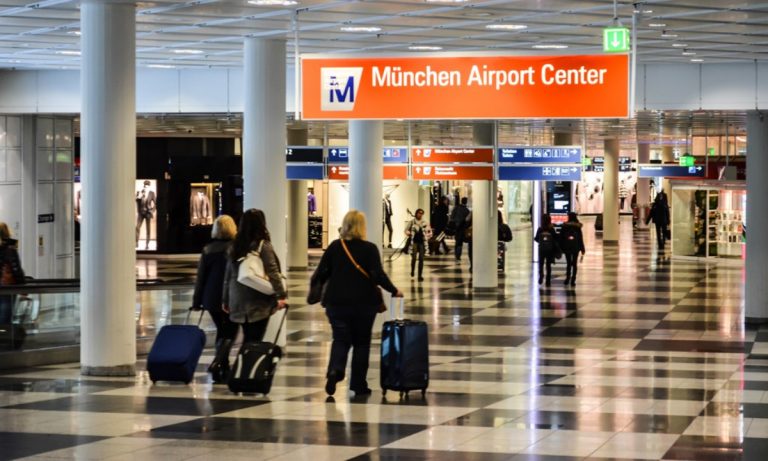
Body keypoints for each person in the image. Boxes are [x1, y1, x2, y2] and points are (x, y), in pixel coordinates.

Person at [310, 210, 402, 396]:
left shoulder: (335, 246)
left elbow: (322, 272)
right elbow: (377, 275)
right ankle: (358, 384)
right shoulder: (370, 248)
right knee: (361, 343)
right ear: (362, 227)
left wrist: (316, 293)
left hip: (336, 303)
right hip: (364, 303)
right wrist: (394, 290)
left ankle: (335, 370)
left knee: (340, 339)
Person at [222, 209, 287, 345]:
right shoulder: (263, 245)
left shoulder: (234, 246)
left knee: (248, 337)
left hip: (237, 299)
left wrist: (226, 299)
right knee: (254, 340)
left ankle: (243, 357)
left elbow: (228, 276)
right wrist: (281, 295)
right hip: (257, 302)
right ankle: (248, 358)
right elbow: (273, 272)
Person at [192, 215, 238, 383]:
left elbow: (201, 278)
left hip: (211, 297)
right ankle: (219, 362)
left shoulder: (208, 249)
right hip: (231, 296)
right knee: (231, 331)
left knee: (222, 329)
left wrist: (196, 302)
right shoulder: (236, 248)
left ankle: (222, 364)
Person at [0, 222, 25, 324]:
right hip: (7, 287)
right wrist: (23, 286)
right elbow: (16, 268)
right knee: (5, 316)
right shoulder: (10, 249)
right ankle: (4, 333)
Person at [559, 212, 585, 286]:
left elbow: (561, 237)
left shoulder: (565, 226)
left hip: (567, 246)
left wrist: (561, 247)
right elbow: (580, 238)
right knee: (574, 263)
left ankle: (567, 278)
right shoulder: (577, 227)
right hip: (576, 247)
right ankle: (573, 279)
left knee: (568, 263)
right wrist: (582, 248)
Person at [406, 208, 430, 282]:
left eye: (422, 213)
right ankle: (412, 270)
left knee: (421, 259)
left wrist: (427, 233)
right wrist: (408, 233)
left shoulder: (424, 222)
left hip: (422, 242)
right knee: (414, 258)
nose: (420, 214)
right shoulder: (412, 222)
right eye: (419, 213)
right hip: (414, 242)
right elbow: (406, 230)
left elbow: (428, 231)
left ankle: (420, 275)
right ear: (416, 213)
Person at [534, 214, 558, 287]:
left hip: (541, 249)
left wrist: (541, 242)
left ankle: (541, 276)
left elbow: (536, 238)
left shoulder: (540, 229)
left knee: (541, 264)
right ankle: (548, 280)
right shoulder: (551, 229)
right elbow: (555, 238)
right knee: (548, 265)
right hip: (549, 249)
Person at [135, 180, 156, 249]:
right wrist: (140, 196)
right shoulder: (139, 192)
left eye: (147, 185)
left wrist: (152, 211)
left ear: (149, 186)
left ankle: (147, 244)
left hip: (148, 213)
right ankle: (136, 242)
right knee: (137, 227)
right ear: (143, 185)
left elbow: (156, 203)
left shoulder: (152, 193)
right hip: (141, 213)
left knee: (148, 229)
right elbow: (136, 200)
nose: (146, 186)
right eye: (145, 185)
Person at [449, 197, 471, 263]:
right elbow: (468, 221)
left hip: (456, 228)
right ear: (466, 202)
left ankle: (456, 255)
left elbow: (452, 216)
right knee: (460, 242)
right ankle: (458, 256)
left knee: (457, 242)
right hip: (462, 228)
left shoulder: (456, 208)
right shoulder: (466, 210)